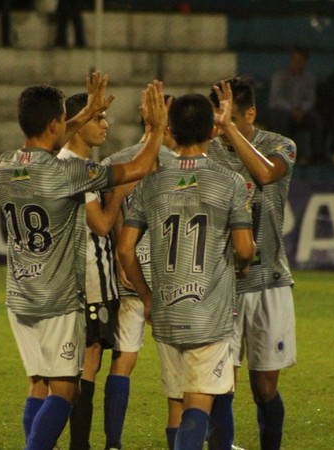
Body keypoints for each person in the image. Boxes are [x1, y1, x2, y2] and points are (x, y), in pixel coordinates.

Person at [0, 73, 168, 450]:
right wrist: (155, 129)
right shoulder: (69, 173)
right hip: (57, 298)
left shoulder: (5, 163)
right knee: (65, 389)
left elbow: (49, 138)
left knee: (39, 382)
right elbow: (135, 169)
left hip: (19, 295)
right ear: (56, 123)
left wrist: (86, 111)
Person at [117, 92, 256, 450]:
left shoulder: (151, 182)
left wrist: (146, 296)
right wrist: (241, 264)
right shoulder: (230, 182)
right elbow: (244, 249)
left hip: (164, 313)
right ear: (213, 131)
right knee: (199, 404)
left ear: (172, 133)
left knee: (177, 404)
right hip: (209, 312)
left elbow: (125, 248)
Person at [208, 77, 297, 450]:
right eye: (216, 118)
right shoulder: (208, 152)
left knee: (264, 389)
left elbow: (264, 174)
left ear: (250, 114)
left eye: (228, 117)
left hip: (269, 281)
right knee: (219, 384)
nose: (219, 126)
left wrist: (229, 128)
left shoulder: (280, 145)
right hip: (222, 284)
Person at [100, 103, 177, 450]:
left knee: (123, 359)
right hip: (172, 278)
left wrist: (119, 256)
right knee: (181, 369)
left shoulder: (115, 162)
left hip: (127, 273)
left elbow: (106, 213)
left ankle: (113, 443)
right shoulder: (179, 166)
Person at [56, 93, 124, 450]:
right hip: (89, 281)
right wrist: (120, 193)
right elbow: (99, 225)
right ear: (79, 122)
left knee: (70, 367)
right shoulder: (76, 168)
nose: (105, 124)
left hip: (77, 280)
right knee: (87, 363)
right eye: (98, 118)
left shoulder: (65, 163)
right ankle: (78, 445)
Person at [267, 46, 324, 164]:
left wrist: (302, 110)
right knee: (281, 119)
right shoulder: (280, 76)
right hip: (283, 111)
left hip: (302, 112)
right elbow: (277, 99)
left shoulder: (309, 78)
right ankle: (285, 157)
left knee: (315, 120)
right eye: (295, 60)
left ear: (305, 62)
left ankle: (316, 156)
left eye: (300, 60)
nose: (297, 63)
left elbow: (310, 99)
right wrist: (291, 110)